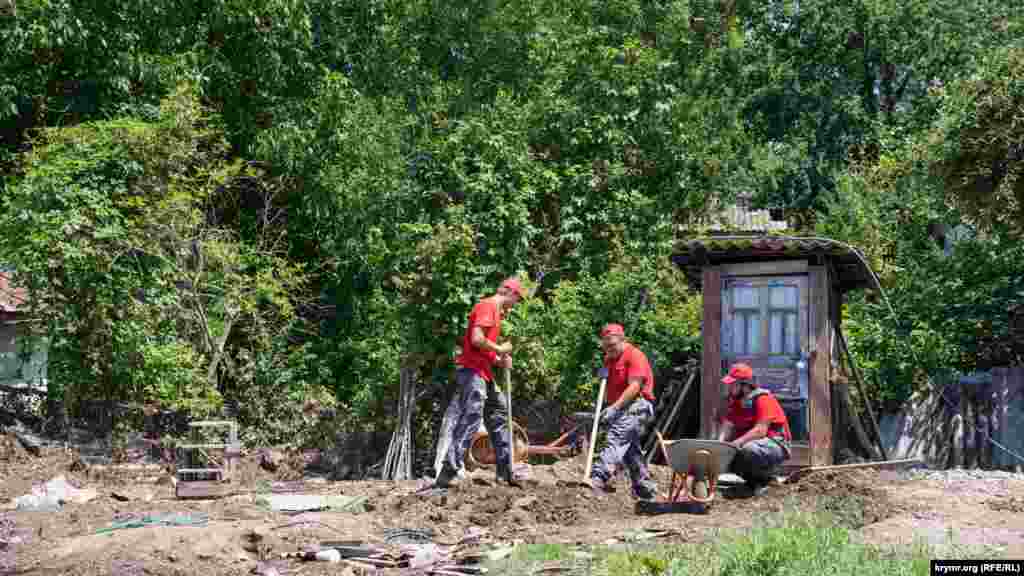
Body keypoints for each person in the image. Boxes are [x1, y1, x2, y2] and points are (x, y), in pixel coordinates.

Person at [433, 277, 524, 489]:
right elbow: (476, 339)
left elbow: (482, 348)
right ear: (509, 292)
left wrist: (498, 360)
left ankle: (504, 471)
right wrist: (500, 349)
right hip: (472, 372)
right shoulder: (488, 306)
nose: (516, 304)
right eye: (517, 299)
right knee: (472, 417)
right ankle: (448, 471)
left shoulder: (495, 312)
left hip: (483, 372)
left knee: (499, 414)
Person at [590, 324, 658, 500]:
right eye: (605, 346)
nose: (608, 349)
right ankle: (644, 487)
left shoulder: (635, 356)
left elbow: (635, 386)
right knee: (629, 449)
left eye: (612, 345)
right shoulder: (609, 359)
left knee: (617, 436)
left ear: (623, 340)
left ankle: (598, 477)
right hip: (619, 408)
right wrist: (606, 407)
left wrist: (614, 408)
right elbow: (608, 388)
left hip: (638, 405)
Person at [717, 362, 792, 496]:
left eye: (733, 384)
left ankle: (768, 480)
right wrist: (719, 444)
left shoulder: (763, 399)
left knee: (747, 450)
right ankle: (754, 484)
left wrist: (734, 444)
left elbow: (760, 431)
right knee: (730, 455)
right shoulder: (737, 403)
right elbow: (728, 424)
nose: (729, 387)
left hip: (776, 444)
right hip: (755, 444)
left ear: (745, 385)